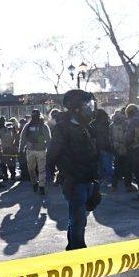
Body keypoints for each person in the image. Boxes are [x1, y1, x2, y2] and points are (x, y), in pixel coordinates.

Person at [48, 90, 99, 250]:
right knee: (78, 218)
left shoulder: (86, 127)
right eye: (86, 105)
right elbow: (53, 154)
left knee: (80, 215)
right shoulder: (63, 127)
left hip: (88, 178)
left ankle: (73, 246)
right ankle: (78, 249)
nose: (89, 109)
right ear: (76, 108)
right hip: (75, 180)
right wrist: (68, 174)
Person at [18, 109, 51, 195]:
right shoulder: (27, 126)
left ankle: (42, 186)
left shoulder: (44, 126)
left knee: (41, 170)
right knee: (31, 169)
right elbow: (23, 138)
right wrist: (20, 149)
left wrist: (49, 150)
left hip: (41, 150)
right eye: (33, 115)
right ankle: (34, 183)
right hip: (30, 150)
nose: (34, 116)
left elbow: (48, 139)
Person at [109, 110, 133, 192]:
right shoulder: (127, 124)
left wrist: (114, 146)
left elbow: (110, 138)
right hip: (126, 148)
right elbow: (129, 136)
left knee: (116, 168)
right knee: (127, 168)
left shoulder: (112, 125)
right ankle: (128, 186)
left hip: (117, 148)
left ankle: (114, 186)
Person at [89, 108, 114, 187]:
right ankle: (110, 180)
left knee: (100, 164)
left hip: (98, 146)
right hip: (108, 146)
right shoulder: (108, 123)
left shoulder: (93, 124)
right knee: (108, 164)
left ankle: (103, 179)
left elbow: (92, 135)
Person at [0, 116, 16, 181]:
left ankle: (12, 175)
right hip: (1, 149)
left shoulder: (7, 129)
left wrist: (9, 146)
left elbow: (10, 138)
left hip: (7, 148)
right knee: (3, 164)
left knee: (9, 163)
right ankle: (5, 175)